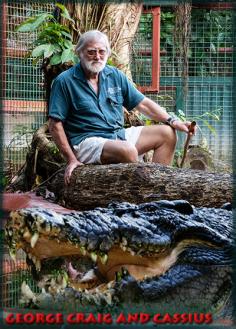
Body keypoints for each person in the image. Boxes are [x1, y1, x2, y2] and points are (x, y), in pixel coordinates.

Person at [49, 30, 196, 185]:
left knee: (167, 133)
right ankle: (144, 188)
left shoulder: (115, 75)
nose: (97, 57)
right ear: (79, 53)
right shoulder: (64, 81)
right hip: (86, 142)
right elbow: (55, 125)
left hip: (116, 135)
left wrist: (173, 121)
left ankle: (158, 187)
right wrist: (71, 160)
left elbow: (143, 103)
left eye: (101, 51)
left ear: (107, 53)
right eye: (91, 52)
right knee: (127, 150)